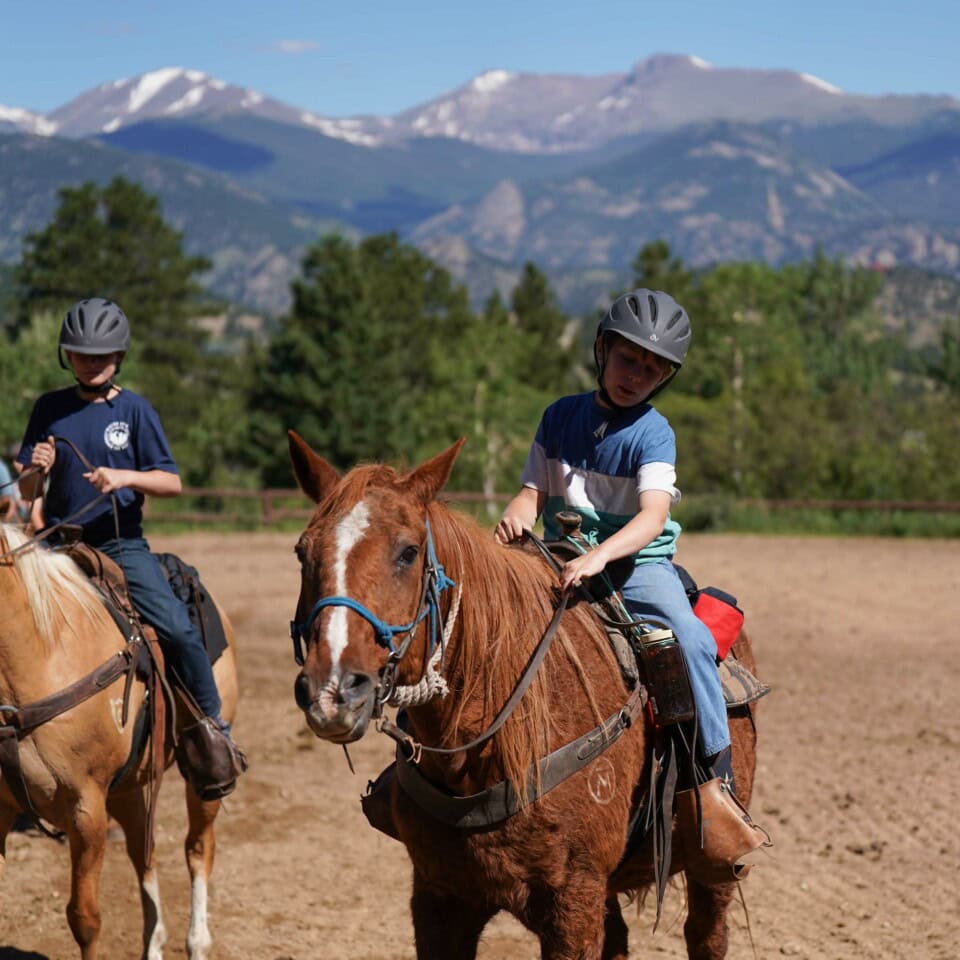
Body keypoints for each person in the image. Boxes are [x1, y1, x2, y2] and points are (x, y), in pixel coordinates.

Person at [494, 288, 767, 878]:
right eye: (627, 360)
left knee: (691, 642)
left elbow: (651, 517)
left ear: (664, 379)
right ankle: (426, 769)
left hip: (636, 565)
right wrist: (519, 511)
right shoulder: (559, 416)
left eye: (652, 370)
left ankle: (713, 789)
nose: (636, 376)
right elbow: (532, 490)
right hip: (558, 554)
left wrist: (601, 558)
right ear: (601, 349)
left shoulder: (654, 434)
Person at [15, 297, 246, 798]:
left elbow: (172, 481)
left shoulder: (135, 410)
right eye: (80, 355)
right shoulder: (48, 409)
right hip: (57, 547)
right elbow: (28, 493)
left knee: (180, 631)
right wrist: (36, 467)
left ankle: (212, 730)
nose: (89, 364)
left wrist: (123, 476)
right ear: (66, 356)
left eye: (100, 356)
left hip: (120, 546)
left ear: (119, 356)